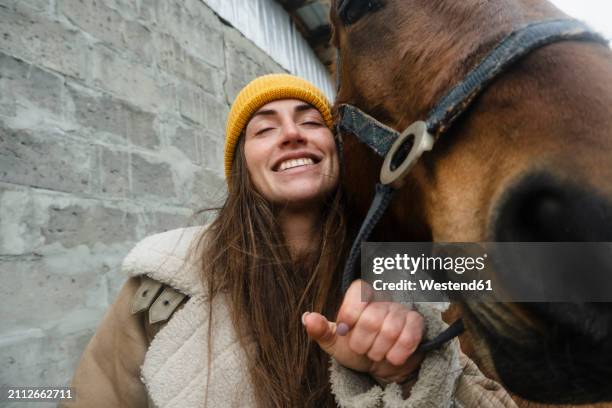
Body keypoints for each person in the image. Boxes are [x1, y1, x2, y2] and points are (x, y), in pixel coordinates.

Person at [65, 74, 515, 407]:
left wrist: (409, 373)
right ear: (241, 166)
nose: (292, 134)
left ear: (335, 148)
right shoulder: (166, 281)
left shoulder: (397, 260)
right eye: (263, 129)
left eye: (312, 122)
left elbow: (572, 274)